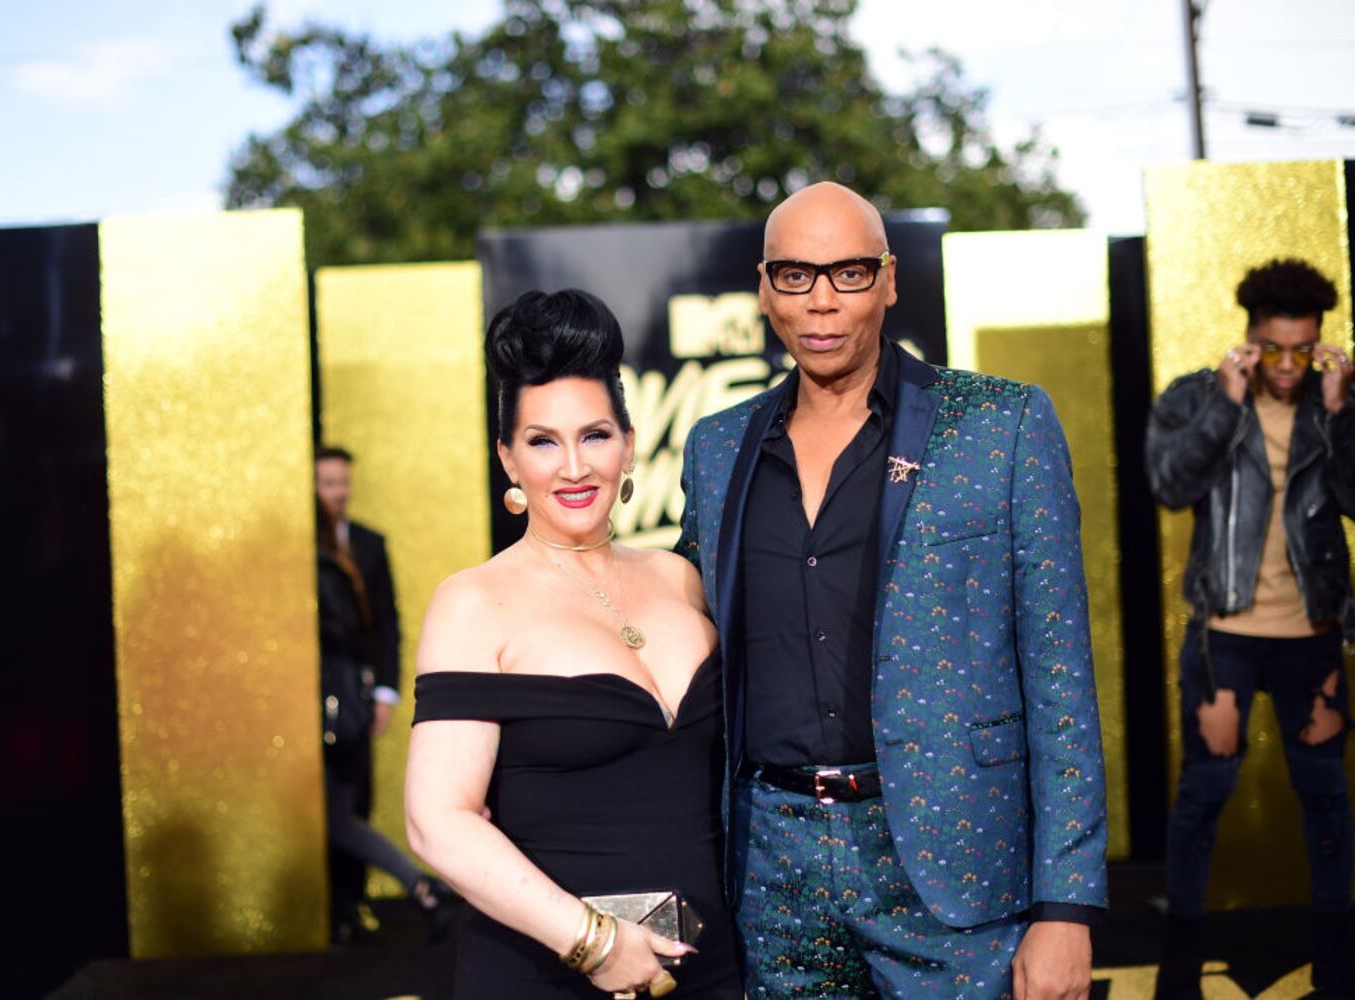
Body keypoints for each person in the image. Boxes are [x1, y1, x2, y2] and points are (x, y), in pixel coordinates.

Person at [674, 181, 1108, 999]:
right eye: (796, 276)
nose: (822, 301)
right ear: (765, 289)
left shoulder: (1000, 424)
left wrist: (1067, 905)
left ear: (889, 279)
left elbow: (1061, 676)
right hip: (771, 869)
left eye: (850, 273)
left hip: (957, 861)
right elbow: (685, 637)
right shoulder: (718, 447)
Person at [405, 289, 744, 998]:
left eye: (594, 435)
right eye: (542, 441)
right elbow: (438, 821)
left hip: (712, 972)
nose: (573, 467)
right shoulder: (474, 603)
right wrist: (592, 942)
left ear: (629, 443)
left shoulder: (682, 578)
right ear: (508, 459)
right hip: (549, 973)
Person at [1146, 258, 1355, 998]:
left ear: (1319, 342)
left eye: (1302, 350)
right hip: (1224, 636)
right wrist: (1226, 408)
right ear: (1249, 341)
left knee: (1326, 800)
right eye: (1273, 350)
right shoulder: (1198, 396)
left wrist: (1341, 414)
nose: (1288, 366)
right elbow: (1170, 485)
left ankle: (1338, 967)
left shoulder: (1337, 402)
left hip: (1314, 634)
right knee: (1203, 796)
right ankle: (1179, 967)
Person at [314, 449, 446, 943]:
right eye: (328, 483)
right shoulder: (299, 548)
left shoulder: (366, 543)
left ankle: (354, 907)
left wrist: (385, 691)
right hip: (316, 698)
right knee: (334, 815)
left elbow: (386, 624)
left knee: (347, 809)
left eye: (343, 482)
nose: (339, 492)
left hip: (349, 698)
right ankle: (397, 893)